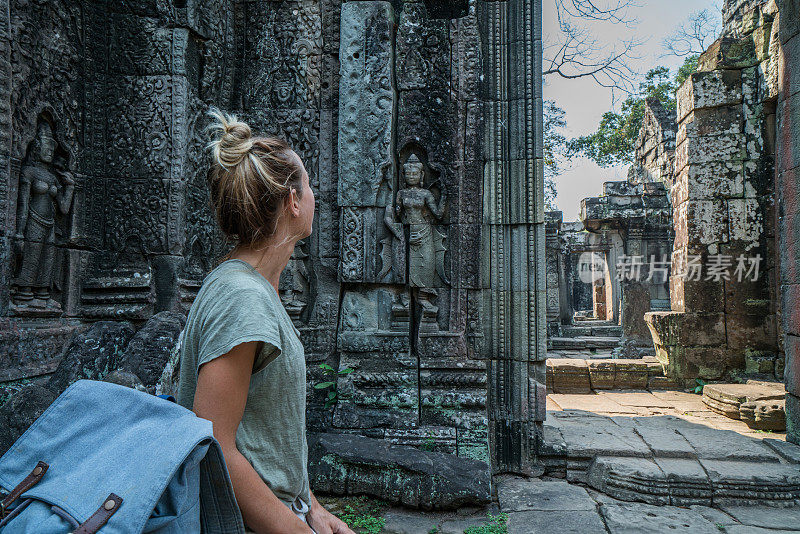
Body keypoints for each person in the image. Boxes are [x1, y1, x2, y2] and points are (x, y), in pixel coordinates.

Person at [176, 109, 354, 534]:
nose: (314, 197)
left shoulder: (256, 288)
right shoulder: (243, 299)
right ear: (293, 202)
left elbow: (268, 434)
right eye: (308, 186)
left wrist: (310, 506)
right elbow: (215, 443)